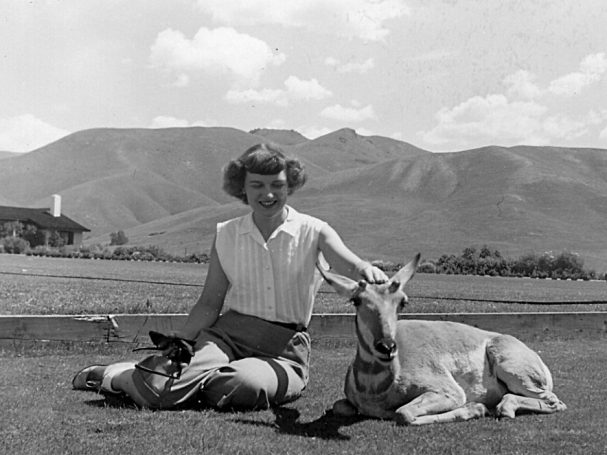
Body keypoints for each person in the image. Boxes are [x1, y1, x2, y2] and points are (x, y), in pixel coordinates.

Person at [72, 142, 388, 410]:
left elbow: (348, 263)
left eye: (277, 185)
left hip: (284, 349)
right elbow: (210, 303)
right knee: (158, 390)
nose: (268, 194)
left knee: (246, 386)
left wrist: (366, 270)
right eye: (257, 185)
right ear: (243, 189)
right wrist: (183, 343)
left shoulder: (315, 230)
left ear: (289, 185)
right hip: (226, 335)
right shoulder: (227, 233)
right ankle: (114, 376)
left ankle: (189, 379)